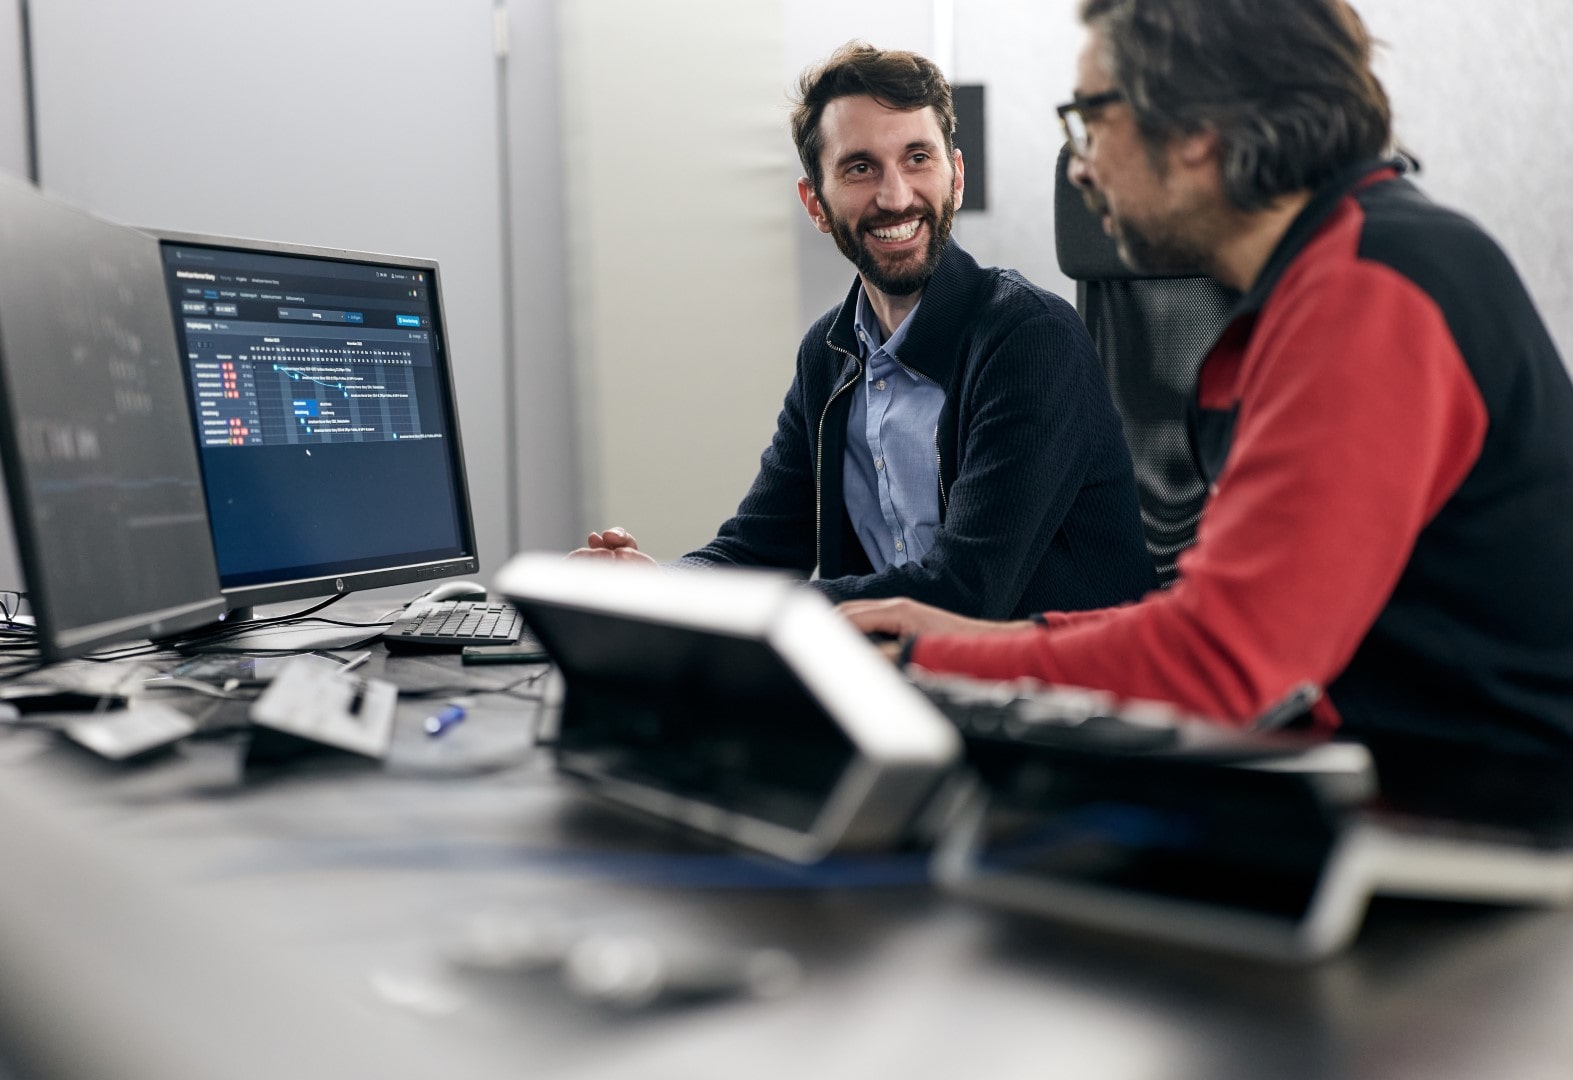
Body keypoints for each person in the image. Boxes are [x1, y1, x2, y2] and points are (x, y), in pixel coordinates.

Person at [845, 0, 1573, 760]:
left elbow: (1217, 664)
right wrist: (987, 638)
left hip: (1475, 816)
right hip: (1384, 772)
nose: (1082, 164)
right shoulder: (1334, 272)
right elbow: (1220, 618)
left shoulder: (1365, 292)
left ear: (1194, 129)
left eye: (1091, 117)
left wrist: (915, 664)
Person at [572, 42, 1156, 620]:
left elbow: (965, 593)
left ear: (955, 177)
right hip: (903, 683)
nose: (895, 196)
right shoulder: (830, 351)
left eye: (917, 158)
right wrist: (657, 584)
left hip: (1055, 698)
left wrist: (725, 605)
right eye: (859, 167)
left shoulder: (1029, 338)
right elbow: (761, 549)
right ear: (816, 203)